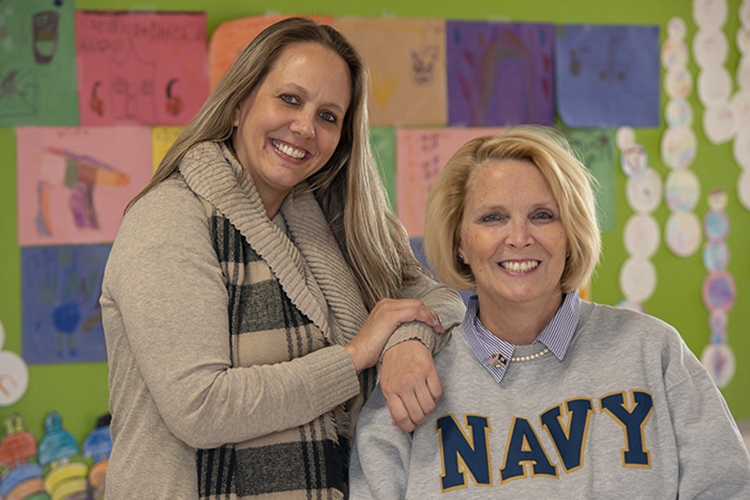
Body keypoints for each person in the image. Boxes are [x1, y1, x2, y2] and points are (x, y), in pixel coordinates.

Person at [100, 17, 465, 499]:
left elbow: (441, 300)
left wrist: (404, 341)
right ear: (237, 104)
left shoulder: (334, 220)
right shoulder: (169, 219)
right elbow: (200, 409)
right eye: (290, 99)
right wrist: (355, 357)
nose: (305, 128)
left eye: (328, 116)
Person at [349, 126, 750, 499]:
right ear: (460, 243)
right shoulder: (409, 381)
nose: (520, 238)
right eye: (493, 218)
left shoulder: (653, 352)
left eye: (543, 216)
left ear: (571, 233)